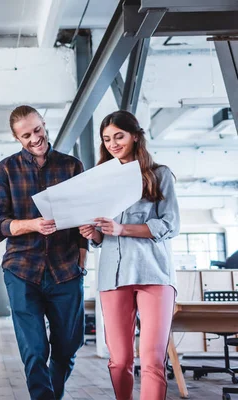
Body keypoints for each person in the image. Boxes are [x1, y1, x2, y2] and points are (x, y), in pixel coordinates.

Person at [0, 105, 87, 400]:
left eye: (37, 130)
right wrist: (30, 224)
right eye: (26, 135)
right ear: (17, 138)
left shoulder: (71, 167)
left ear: (44, 124)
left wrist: (83, 258)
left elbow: (84, 215)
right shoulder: (5, 169)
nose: (35, 138)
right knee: (35, 350)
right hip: (22, 269)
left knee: (69, 345)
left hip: (66, 269)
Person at [79, 110, 180, 400]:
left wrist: (122, 229)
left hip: (154, 275)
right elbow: (102, 236)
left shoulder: (159, 175)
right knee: (120, 360)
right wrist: (94, 234)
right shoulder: (100, 181)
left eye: (118, 136)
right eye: (107, 139)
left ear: (135, 135)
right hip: (112, 277)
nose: (113, 143)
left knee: (151, 359)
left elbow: (170, 224)